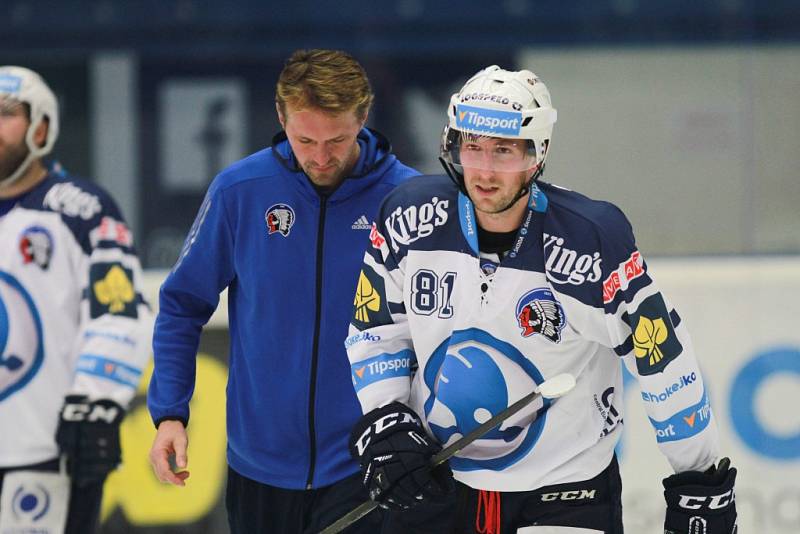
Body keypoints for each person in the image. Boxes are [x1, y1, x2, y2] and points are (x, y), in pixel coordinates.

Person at [345, 65, 738, 534]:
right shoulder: (409, 218)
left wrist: (699, 474)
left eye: (504, 151)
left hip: (563, 494)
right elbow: (377, 328)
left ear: (537, 155)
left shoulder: (590, 242)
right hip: (440, 483)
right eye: (473, 147)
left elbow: (661, 358)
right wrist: (386, 415)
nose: (485, 170)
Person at [147, 49, 450, 534]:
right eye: (305, 139)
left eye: (338, 139)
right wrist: (169, 413)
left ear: (364, 117)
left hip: (368, 462)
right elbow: (182, 305)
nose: (321, 157)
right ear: (280, 115)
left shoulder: (411, 203)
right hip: (257, 469)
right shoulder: (240, 192)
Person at [0, 66, 152, 533]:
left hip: (44, 452)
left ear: (41, 127)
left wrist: (94, 403)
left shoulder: (80, 209)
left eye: (6, 115)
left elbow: (119, 314)